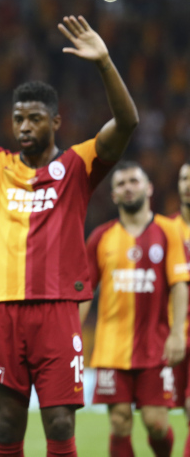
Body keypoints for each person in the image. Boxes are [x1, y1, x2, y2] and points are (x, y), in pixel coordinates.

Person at [0, 10, 139, 457]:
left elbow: (126, 123)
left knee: (59, 422)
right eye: (18, 118)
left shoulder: (77, 166)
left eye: (35, 118)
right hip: (1, 308)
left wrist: (104, 62)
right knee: (6, 425)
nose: (24, 126)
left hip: (57, 309)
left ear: (56, 122)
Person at [80, 162, 188, 457]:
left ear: (149, 188)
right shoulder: (101, 237)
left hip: (155, 346)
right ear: (113, 195)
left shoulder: (168, 231)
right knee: (119, 422)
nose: (128, 187)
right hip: (111, 348)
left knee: (156, 423)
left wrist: (177, 333)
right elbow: (85, 291)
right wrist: (73, 336)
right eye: (121, 184)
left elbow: (180, 285)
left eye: (134, 181)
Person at [169, 160, 190, 457]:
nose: (188, 184)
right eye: (184, 178)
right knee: (159, 419)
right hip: (174, 337)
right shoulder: (165, 230)